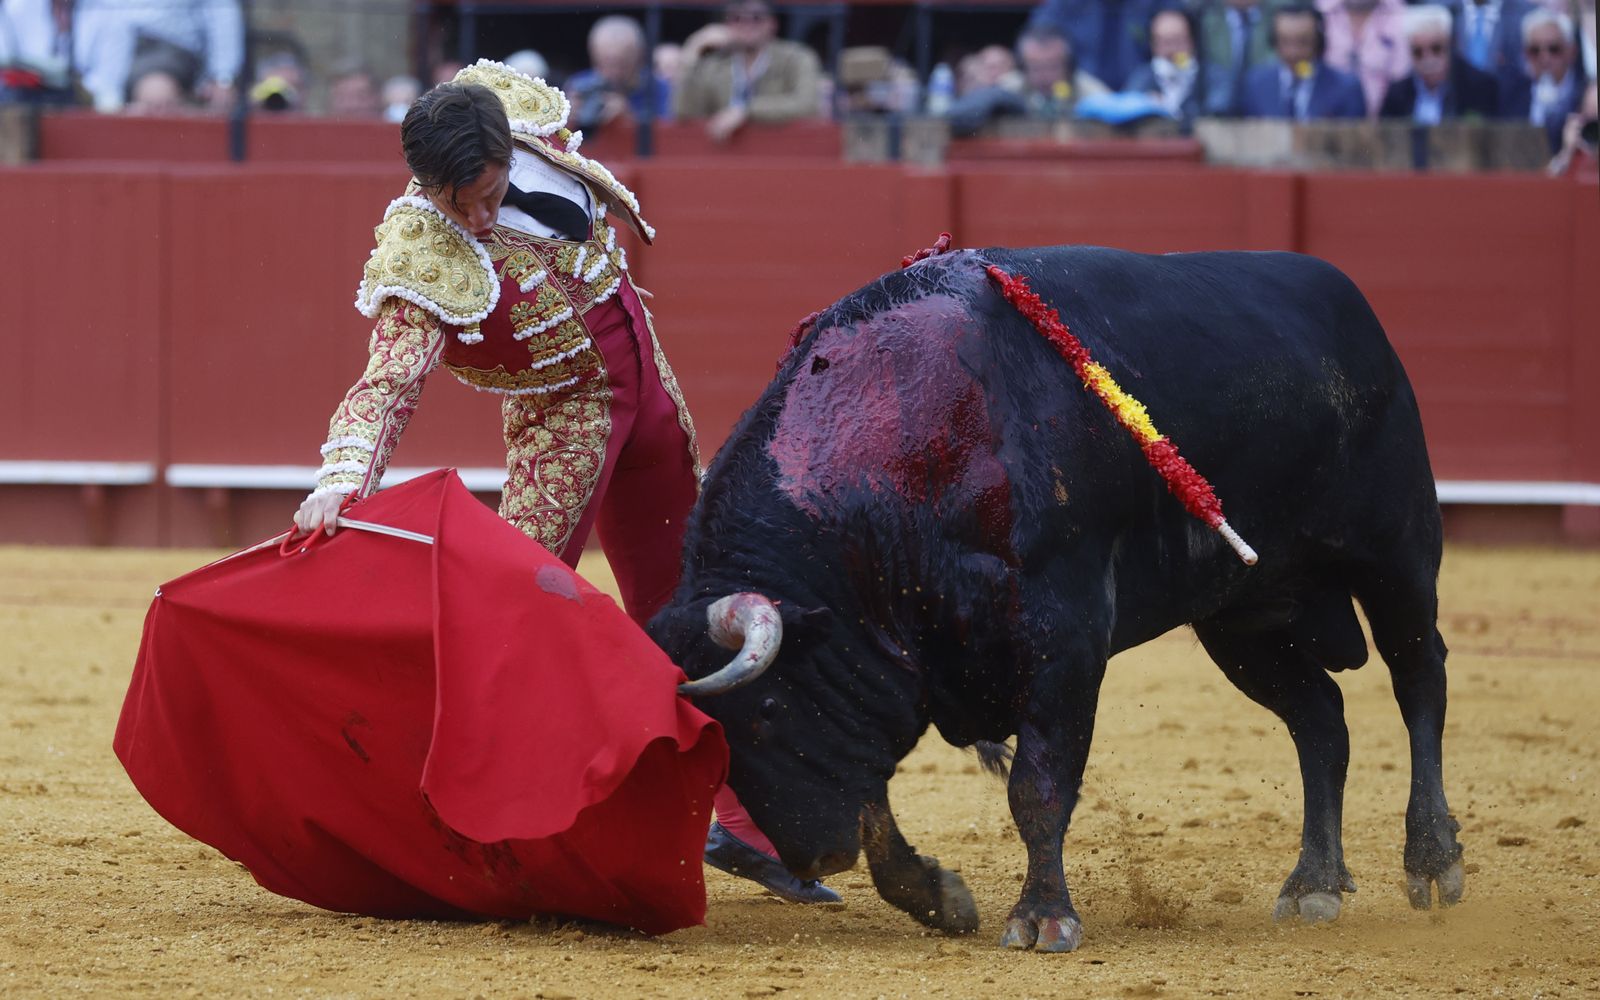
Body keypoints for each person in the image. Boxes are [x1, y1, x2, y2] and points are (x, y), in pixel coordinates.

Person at [293, 60, 838, 906]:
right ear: (422, 185)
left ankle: (743, 825)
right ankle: (491, 823)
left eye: (487, 191)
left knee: (689, 604)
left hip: (650, 398)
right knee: (520, 620)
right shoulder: (421, 250)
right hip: (565, 429)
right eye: (456, 202)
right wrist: (341, 477)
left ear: (507, 148)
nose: (475, 216)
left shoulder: (517, 119)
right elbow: (388, 384)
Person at [672, 0, 822, 141]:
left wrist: (746, 111)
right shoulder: (714, 65)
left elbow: (807, 104)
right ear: (727, 24)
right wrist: (692, 52)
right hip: (726, 155)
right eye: (737, 18)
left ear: (773, 24)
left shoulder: (796, 58)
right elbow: (684, 113)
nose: (747, 24)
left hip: (782, 150)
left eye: (756, 18)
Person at [72, 0, 242, 113]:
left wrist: (223, 76)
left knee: (156, 93)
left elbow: (221, 11)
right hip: (99, 54)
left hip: (164, 47)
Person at [1238, 4, 1368, 117]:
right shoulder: (1256, 84)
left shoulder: (1347, 89)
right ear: (1274, 42)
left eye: (1303, 42)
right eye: (1285, 41)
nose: (1293, 52)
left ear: (1318, 42)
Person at [1379, 4, 1501, 121]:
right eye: (1418, 52)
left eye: (1436, 49)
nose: (1428, 58)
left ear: (1449, 46)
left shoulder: (1478, 88)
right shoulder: (1397, 95)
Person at [1025, 0, 1177, 91]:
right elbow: (1037, 37)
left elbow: (1181, 36)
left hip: (1146, 99)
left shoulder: (1157, 3)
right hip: (1079, 100)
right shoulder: (1066, 4)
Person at [1123, 7, 1235, 120]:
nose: (1171, 50)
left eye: (1177, 41)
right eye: (1164, 42)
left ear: (1192, 42)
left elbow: (1217, 113)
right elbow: (1126, 111)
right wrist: (1147, 105)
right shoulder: (1142, 77)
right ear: (1153, 46)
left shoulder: (1213, 76)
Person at [566, 15, 671, 132]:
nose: (613, 73)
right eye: (604, 63)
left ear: (639, 57)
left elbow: (670, 138)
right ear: (592, 56)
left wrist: (629, 119)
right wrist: (566, 117)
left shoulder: (660, 89)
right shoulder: (579, 84)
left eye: (621, 64)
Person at [1502, 8, 1584, 147]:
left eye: (1554, 49)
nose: (1544, 58)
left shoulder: (1585, 97)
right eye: (1535, 50)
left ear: (1572, 52)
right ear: (1525, 54)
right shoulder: (1511, 96)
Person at [1315, 0, 1411, 116]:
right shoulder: (1317, 12)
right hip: (1326, 124)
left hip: (1388, 121)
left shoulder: (1402, 15)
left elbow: (1402, 81)